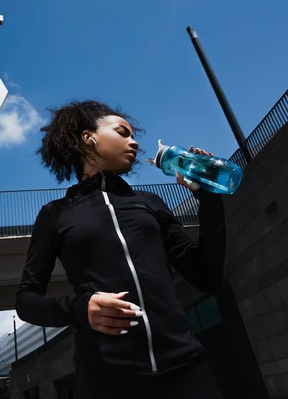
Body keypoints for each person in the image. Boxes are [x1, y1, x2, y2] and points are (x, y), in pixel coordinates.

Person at [15, 100, 225, 399]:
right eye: (122, 132)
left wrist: (211, 203)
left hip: (186, 369)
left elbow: (207, 277)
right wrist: (80, 307)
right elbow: (26, 301)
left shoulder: (150, 203)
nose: (134, 141)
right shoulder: (55, 215)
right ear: (89, 138)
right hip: (106, 378)